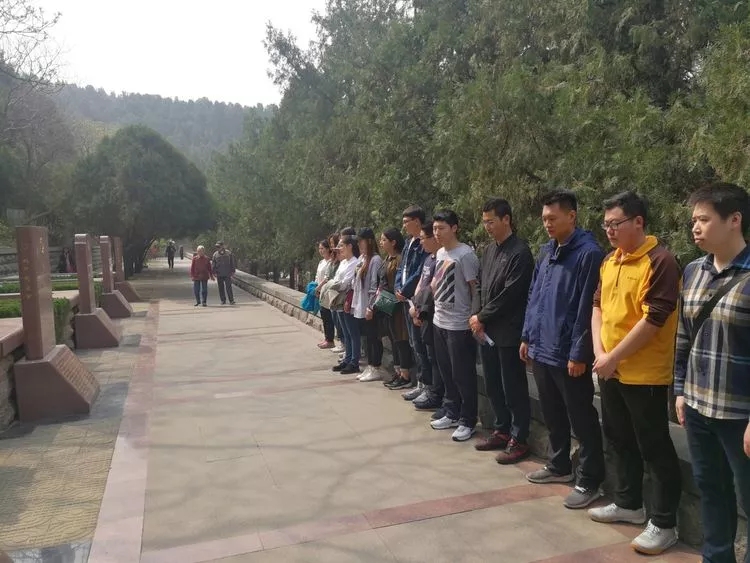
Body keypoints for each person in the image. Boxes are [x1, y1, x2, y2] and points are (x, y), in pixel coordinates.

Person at [589, 191, 682, 555]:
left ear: (638, 222)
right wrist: (601, 354)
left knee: (654, 447)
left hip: (644, 375)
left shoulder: (660, 261)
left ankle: (664, 523)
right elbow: (597, 307)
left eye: (616, 224)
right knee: (618, 437)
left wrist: (613, 356)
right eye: (606, 225)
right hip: (610, 369)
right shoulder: (610, 260)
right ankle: (628, 503)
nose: (609, 231)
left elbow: (654, 319)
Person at [674, 182, 750, 563]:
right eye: (694, 220)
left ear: (734, 220)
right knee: (712, 493)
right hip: (699, 408)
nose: (695, 227)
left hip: (740, 415)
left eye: (704, 219)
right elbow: (683, 336)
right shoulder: (693, 271)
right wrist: (680, 390)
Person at [519, 191, 605, 508]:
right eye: (544, 218)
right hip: (542, 346)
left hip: (568, 352)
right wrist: (528, 336)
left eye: (553, 218)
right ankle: (559, 464)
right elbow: (534, 296)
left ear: (572, 216)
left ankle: (590, 479)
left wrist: (579, 352)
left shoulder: (588, 254)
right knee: (553, 412)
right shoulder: (547, 251)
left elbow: (586, 307)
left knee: (581, 417)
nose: (547, 224)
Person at [470, 198, 534, 461]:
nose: (487, 227)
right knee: (493, 384)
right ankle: (502, 429)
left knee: (513, 387)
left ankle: (519, 438)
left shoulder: (520, 253)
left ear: (506, 219)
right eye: (484, 222)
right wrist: (476, 314)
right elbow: (480, 287)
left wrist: (482, 316)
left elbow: (510, 294)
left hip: (508, 332)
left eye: (491, 221)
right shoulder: (488, 251)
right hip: (486, 332)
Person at [428, 209, 481, 442]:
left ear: (454, 228)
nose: (437, 233)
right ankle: (451, 412)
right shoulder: (440, 253)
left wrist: (474, 316)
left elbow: (475, 289)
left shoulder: (465, 255)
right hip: (439, 321)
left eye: (441, 228)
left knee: (463, 375)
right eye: (434, 229)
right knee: (446, 372)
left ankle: (468, 420)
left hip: (459, 325)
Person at [371, 228, 414, 389]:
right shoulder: (387, 259)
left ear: (393, 242)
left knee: (401, 340)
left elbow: (397, 283)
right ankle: (398, 372)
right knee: (393, 338)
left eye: (384, 240)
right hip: (386, 305)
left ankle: (405, 374)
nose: (381, 243)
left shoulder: (400, 259)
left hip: (398, 305)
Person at [395, 205, 430, 399]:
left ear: (417, 221)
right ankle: (420, 383)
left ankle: (427, 386)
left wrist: (406, 289)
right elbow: (401, 268)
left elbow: (420, 272)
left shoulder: (424, 244)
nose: (404, 226)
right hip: (405, 300)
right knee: (414, 343)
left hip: (417, 300)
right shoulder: (409, 243)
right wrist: (398, 288)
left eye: (406, 222)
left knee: (421, 344)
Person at [409, 221, 444, 410]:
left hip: (432, 314)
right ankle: (428, 388)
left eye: (423, 238)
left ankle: (437, 394)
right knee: (425, 353)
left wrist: (420, 308)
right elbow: (421, 283)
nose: (421, 242)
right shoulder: (429, 259)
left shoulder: (442, 259)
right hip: (421, 312)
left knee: (436, 358)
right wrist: (415, 305)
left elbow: (433, 287)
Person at [353, 228, 385, 382]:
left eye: (361, 241)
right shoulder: (364, 258)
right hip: (363, 304)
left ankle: (376, 367)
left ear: (369, 241)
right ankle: (371, 365)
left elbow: (375, 286)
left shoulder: (375, 260)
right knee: (368, 337)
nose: (359, 244)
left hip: (372, 306)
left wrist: (370, 306)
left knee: (374, 338)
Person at [329, 234, 360, 374]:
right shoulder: (343, 263)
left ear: (350, 246)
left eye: (341, 246)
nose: (339, 248)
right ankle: (347, 359)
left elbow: (345, 283)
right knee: (345, 332)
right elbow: (336, 279)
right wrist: (336, 284)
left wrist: (335, 284)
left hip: (347, 300)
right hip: (338, 300)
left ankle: (354, 361)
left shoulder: (354, 262)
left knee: (352, 332)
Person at [315, 240, 337, 349]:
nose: (321, 251)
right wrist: (316, 287)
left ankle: (330, 339)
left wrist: (319, 287)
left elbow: (327, 278)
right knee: (324, 316)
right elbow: (317, 276)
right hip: (320, 291)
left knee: (328, 317)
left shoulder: (331, 262)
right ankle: (327, 338)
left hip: (327, 291)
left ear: (328, 249)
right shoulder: (321, 262)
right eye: (319, 249)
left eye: (322, 248)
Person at [212, 241, 236, 305]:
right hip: (219, 273)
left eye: (219, 246)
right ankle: (223, 300)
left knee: (229, 287)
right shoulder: (215, 254)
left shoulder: (228, 253)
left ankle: (231, 300)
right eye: (217, 247)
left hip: (227, 273)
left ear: (222, 246)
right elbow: (213, 264)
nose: (218, 248)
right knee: (221, 287)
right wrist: (214, 272)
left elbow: (232, 262)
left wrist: (233, 271)